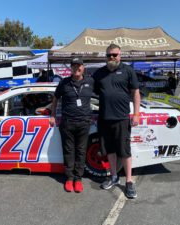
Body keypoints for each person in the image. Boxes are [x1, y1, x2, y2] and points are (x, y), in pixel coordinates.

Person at [93, 44, 140, 199]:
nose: (112, 57)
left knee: (125, 151)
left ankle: (128, 182)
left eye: (114, 55)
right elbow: (87, 90)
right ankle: (113, 177)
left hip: (121, 118)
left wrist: (136, 114)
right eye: (109, 55)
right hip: (104, 119)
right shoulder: (99, 73)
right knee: (110, 151)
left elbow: (136, 93)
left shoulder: (128, 71)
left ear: (120, 55)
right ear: (105, 56)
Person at [49, 58, 94, 193]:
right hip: (67, 122)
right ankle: (69, 178)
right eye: (74, 66)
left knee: (81, 151)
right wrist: (52, 115)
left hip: (84, 122)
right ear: (71, 68)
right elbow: (56, 98)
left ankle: (78, 179)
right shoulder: (64, 83)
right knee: (68, 151)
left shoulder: (90, 82)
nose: (76, 68)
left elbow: (103, 94)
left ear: (83, 67)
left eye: (79, 66)